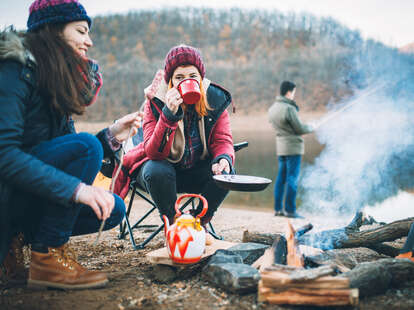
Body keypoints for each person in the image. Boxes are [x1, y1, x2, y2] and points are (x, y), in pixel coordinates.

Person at [0, 0, 141, 289]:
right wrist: (76, 191)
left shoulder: (53, 78)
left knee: (113, 208)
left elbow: (66, 151)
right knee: (87, 148)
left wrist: (112, 136)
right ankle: (47, 257)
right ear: (53, 30)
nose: (89, 41)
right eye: (81, 31)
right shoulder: (15, 71)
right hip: (7, 192)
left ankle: (28, 243)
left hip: (25, 192)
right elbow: (5, 155)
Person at [113, 45, 235, 242]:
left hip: (195, 170)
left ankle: (198, 222)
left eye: (193, 76)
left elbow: (223, 141)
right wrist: (169, 115)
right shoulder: (155, 101)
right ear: (170, 81)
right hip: (161, 175)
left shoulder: (214, 99)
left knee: (227, 174)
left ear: (201, 79)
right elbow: (154, 153)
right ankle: (172, 222)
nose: (187, 81)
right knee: (156, 169)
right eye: (179, 77)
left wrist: (224, 159)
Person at [268, 81, 314, 218]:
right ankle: (290, 210)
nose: (294, 95)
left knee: (281, 179)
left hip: (281, 148)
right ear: (289, 92)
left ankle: (278, 209)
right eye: (294, 92)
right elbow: (299, 128)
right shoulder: (289, 108)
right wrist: (311, 127)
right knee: (292, 179)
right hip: (293, 148)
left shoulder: (273, 108)